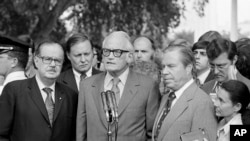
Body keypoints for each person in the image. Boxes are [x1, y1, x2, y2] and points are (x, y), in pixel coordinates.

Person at [76, 31, 160, 141]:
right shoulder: (87, 85)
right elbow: (81, 133)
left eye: (117, 52)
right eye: (106, 51)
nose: (110, 56)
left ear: (130, 57)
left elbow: (152, 134)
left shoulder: (147, 86)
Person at [0, 40, 78, 141]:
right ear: (36, 60)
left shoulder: (70, 95)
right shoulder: (14, 90)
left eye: (58, 60)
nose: (53, 64)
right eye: (47, 59)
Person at [152, 44, 217, 141]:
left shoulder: (202, 102)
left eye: (171, 66)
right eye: (163, 66)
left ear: (188, 68)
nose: (164, 72)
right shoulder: (166, 97)